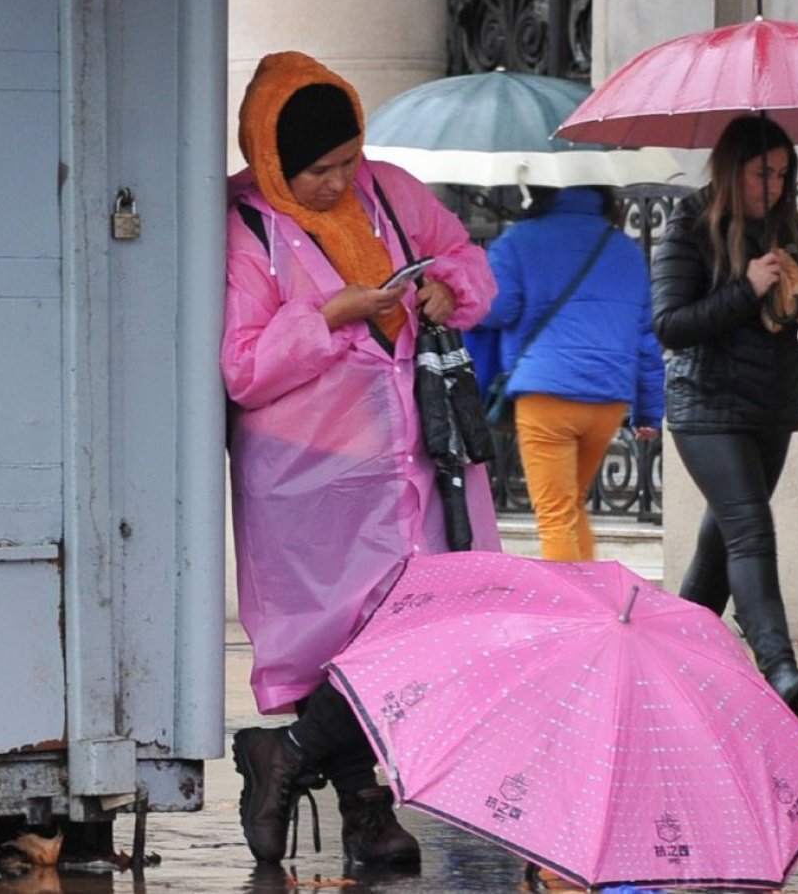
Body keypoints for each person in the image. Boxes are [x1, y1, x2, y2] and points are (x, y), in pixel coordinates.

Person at [222, 51, 499, 867]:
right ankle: (366, 813)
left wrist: (451, 288)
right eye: (318, 170)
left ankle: (290, 755)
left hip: (416, 455)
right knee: (339, 643)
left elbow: (464, 261)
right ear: (273, 159)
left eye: (349, 160)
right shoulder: (244, 228)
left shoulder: (393, 192)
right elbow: (243, 365)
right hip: (309, 478)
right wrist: (331, 313)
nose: (339, 181)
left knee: (427, 625)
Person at [650, 115, 798, 718]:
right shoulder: (691, 224)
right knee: (750, 529)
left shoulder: (787, 228)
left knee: (721, 546)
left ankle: (667, 659)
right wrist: (745, 287)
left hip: (772, 404)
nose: (772, 186)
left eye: (782, 174)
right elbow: (671, 325)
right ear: (732, 169)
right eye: (760, 173)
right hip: (707, 404)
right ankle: (778, 667)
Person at [475, 185, 663, 561]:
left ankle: (568, 612)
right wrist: (649, 410)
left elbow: (494, 310)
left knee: (554, 516)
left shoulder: (519, 240)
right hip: (609, 399)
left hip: (546, 395)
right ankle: (590, 604)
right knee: (573, 504)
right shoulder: (626, 249)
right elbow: (646, 338)